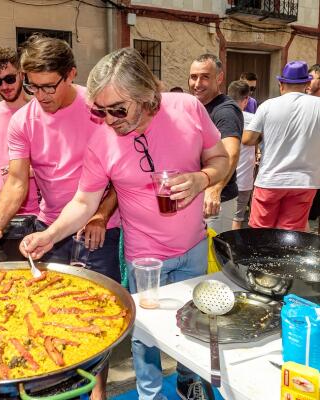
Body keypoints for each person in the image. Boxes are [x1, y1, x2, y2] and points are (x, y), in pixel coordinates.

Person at [21, 47, 228, 400]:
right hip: (144, 258)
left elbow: (220, 157)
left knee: (194, 331)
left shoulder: (188, 110)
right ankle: (150, 395)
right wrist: (50, 234)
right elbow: (85, 201)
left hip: (193, 249)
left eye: (118, 109)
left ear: (147, 96)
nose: (109, 119)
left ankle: (188, 382)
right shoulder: (101, 140)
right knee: (145, 338)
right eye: (100, 111)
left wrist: (203, 179)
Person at [0, 35, 121, 400]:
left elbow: (120, 176)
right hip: (48, 225)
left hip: (98, 225)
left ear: (71, 75)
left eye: (49, 86)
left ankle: (98, 394)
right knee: (46, 316)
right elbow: (17, 181)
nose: (41, 96)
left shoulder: (98, 109)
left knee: (95, 318)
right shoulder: (23, 119)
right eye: (32, 86)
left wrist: (99, 215)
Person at [243, 61, 320, 231]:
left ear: (281, 84)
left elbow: (248, 139)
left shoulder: (267, 106)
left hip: (271, 179)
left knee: (260, 235)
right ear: (307, 84)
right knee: (289, 237)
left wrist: (266, 136)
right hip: (304, 182)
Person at [0, 46, 40, 261]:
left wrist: (26, 171)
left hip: (34, 211)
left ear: (22, 74)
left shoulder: (38, 110)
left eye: (9, 79)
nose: (4, 86)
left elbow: (53, 161)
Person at [189, 54, 243, 233]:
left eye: (205, 77)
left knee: (213, 258)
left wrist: (215, 189)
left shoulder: (225, 111)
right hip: (198, 197)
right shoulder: (198, 107)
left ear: (219, 78)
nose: (197, 84)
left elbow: (231, 153)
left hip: (216, 201)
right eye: (193, 77)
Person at [227, 80, 256, 229]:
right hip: (243, 180)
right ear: (246, 100)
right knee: (237, 219)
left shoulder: (221, 115)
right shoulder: (252, 119)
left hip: (223, 177)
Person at [306, 64, 320, 232]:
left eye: (311, 78)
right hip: (307, 175)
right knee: (305, 219)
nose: (307, 83)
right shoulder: (302, 105)